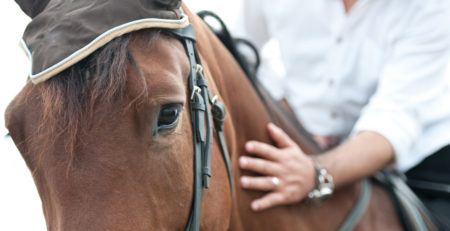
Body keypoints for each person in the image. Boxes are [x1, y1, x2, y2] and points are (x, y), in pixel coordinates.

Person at [233, 0, 450, 227]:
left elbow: (395, 120)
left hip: (419, 163)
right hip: (304, 141)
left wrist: (316, 174)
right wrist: (280, 103)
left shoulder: (432, 7)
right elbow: (239, 49)